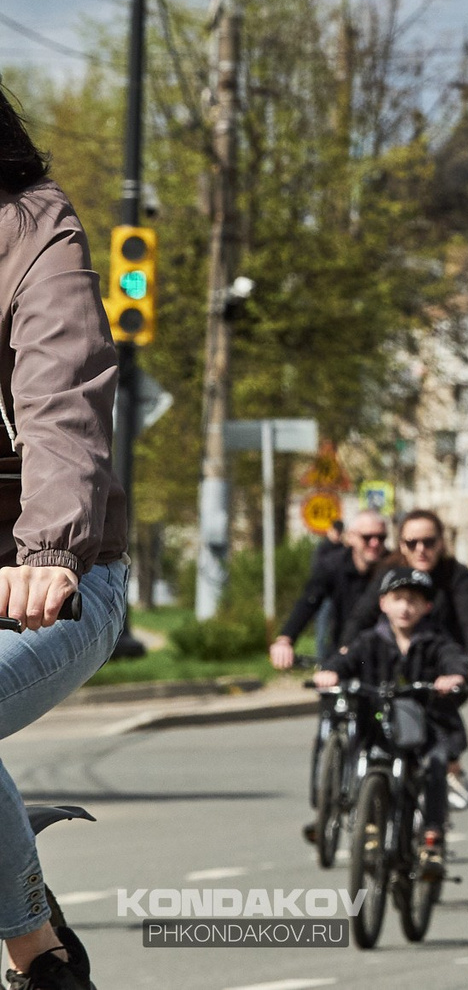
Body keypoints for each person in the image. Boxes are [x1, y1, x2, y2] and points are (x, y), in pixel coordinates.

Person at [0, 83, 133, 990]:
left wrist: (48, 551)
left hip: (51, 584)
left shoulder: (30, 231)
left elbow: (62, 394)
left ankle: (37, 953)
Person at [316, 567, 468, 874]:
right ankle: (369, 826)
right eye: (398, 599)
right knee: (364, 762)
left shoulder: (434, 642)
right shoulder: (371, 641)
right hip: (377, 727)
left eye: (414, 600)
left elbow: (453, 658)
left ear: (427, 606)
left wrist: (453, 675)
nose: (405, 607)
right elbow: (347, 660)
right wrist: (332, 671)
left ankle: (432, 838)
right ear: (383, 602)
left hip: (422, 726)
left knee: (435, 764)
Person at [338, 509, 468, 810]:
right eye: (412, 542)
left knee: (437, 720)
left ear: (441, 543)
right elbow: (363, 614)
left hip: (444, 666)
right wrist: (345, 649)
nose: (421, 549)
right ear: (401, 545)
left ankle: (449, 767)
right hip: (396, 663)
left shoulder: (455, 575)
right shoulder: (389, 574)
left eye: (429, 542)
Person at [272, 510, 387, 672]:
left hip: (383, 657)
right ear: (350, 538)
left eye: (381, 538)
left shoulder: (393, 566)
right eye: (367, 537)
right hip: (342, 651)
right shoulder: (333, 565)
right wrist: (285, 639)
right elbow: (308, 601)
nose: (375, 543)